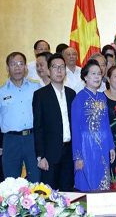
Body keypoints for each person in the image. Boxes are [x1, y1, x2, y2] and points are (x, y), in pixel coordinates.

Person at [33, 53, 76, 191]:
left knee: (68, 193)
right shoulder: (40, 95)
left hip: (69, 152)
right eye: (55, 67)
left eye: (62, 67)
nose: (59, 71)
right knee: (49, 195)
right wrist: (41, 156)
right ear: (48, 71)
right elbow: (38, 127)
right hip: (50, 155)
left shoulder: (71, 94)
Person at [71, 60, 115, 191]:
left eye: (99, 74)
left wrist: (111, 146)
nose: (97, 77)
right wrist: (78, 157)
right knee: (87, 180)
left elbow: (106, 124)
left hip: (102, 145)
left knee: (103, 181)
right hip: (86, 146)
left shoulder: (102, 97)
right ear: (85, 77)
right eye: (93, 73)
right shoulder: (79, 98)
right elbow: (75, 129)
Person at [0, 52, 40, 182]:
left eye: (20, 64)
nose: (17, 68)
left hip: (32, 139)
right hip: (10, 140)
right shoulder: (1, 92)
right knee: (11, 182)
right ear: (7, 68)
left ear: (26, 68)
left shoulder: (36, 88)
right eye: (13, 64)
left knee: (36, 179)